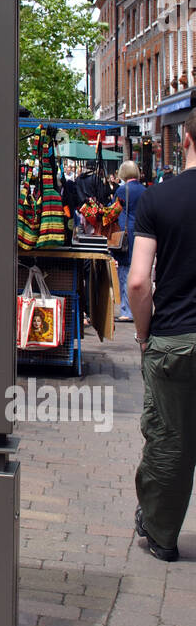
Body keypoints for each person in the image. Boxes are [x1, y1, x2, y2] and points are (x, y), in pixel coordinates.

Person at [128, 108, 196, 562]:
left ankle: (161, 535)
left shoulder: (159, 199)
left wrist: (143, 335)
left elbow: (137, 282)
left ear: (185, 138)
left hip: (175, 337)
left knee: (170, 439)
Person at [113, 160, 145, 323]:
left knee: (125, 271)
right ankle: (139, 309)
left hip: (125, 234)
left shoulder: (121, 190)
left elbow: (112, 212)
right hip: (143, 233)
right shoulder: (145, 190)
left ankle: (127, 310)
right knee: (140, 271)